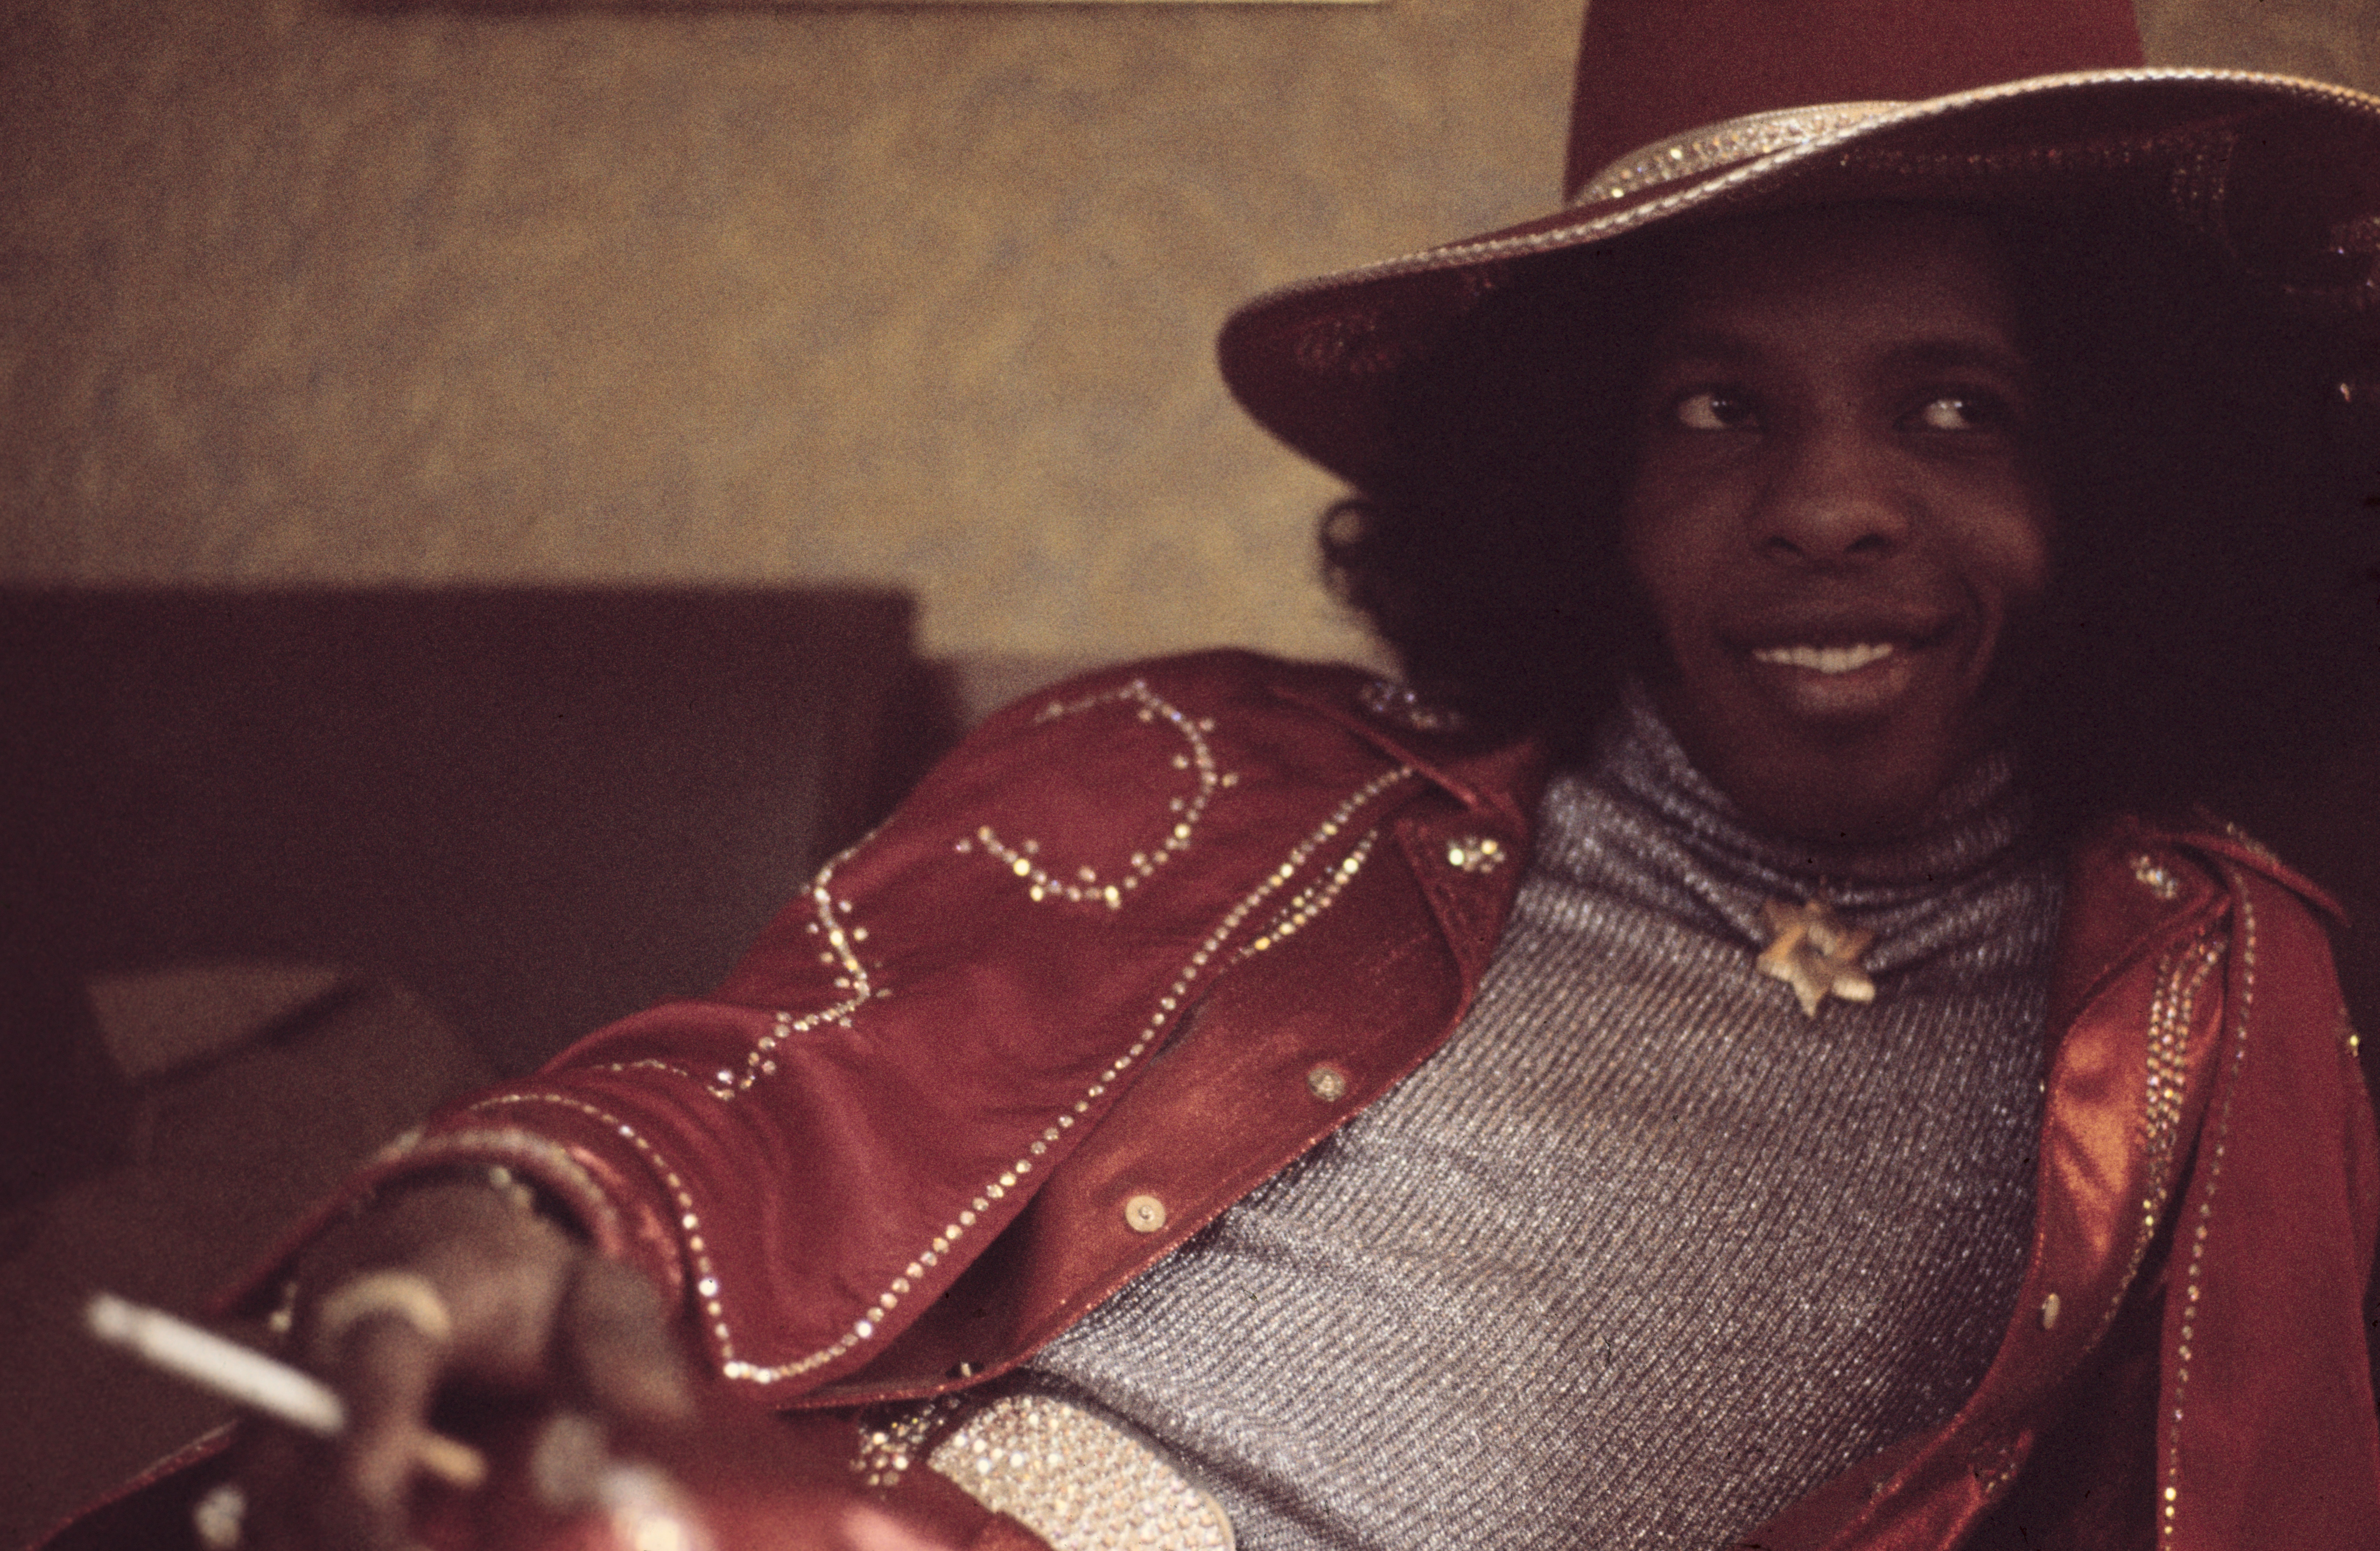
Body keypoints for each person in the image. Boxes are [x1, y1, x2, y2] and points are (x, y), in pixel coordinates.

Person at [48, 0, 2380, 1548]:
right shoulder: (1203, 771)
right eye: (1713, 409)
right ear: (1578, 478)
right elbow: (753, 1096)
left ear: (2130, 473)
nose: (1834, 504)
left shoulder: (2209, 995)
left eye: (1960, 409)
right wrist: (498, 1219)